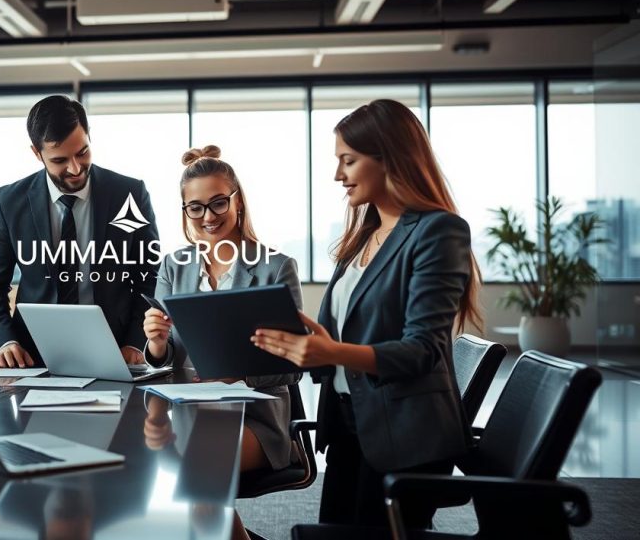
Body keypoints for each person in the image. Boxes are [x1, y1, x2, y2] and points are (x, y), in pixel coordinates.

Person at [251, 99, 482, 528]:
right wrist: (313, 340)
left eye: (349, 161)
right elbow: (352, 331)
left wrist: (332, 352)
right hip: (351, 427)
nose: (338, 176)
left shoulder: (439, 230)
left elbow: (422, 351)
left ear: (390, 159)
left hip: (405, 438)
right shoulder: (364, 237)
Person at [142, 145, 303, 475]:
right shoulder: (174, 267)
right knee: (149, 460)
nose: (208, 216)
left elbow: (295, 363)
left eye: (218, 203)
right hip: (187, 414)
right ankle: (229, 530)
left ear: (237, 199)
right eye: (196, 208)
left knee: (198, 467)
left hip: (255, 420)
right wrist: (157, 344)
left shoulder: (276, 267)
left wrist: (240, 376)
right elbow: (165, 357)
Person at [0, 95, 160, 368]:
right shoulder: (9, 201)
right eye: (60, 159)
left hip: (117, 350)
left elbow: (149, 275)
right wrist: (6, 340)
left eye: (83, 152)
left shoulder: (130, 194)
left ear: (89, 137)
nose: (75, 168)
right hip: (32, 355)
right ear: (36, 153)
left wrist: (136, 340)